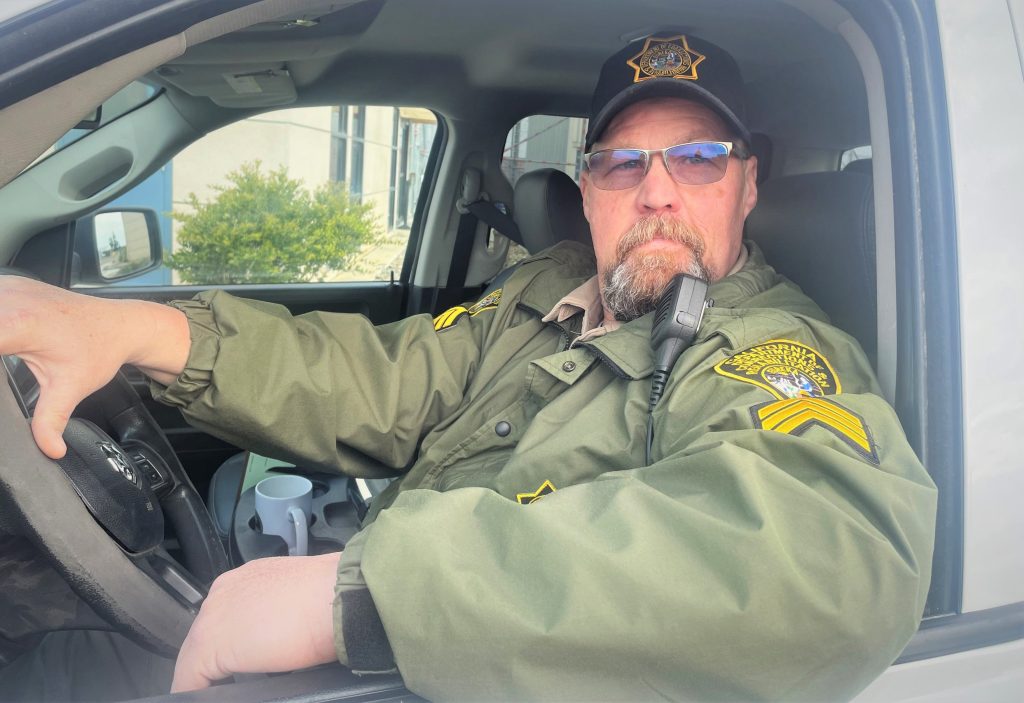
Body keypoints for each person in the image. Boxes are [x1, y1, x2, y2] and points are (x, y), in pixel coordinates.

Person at [0, 32, 936, 701]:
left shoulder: (769, 353)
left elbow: (823, 564)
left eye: (697, 158)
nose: (656, 191)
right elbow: (379, 375)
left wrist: (361, 599)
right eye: (621, 163)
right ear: (589, 186)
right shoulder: (553, 286)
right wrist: (132, 329)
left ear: (748, 183)